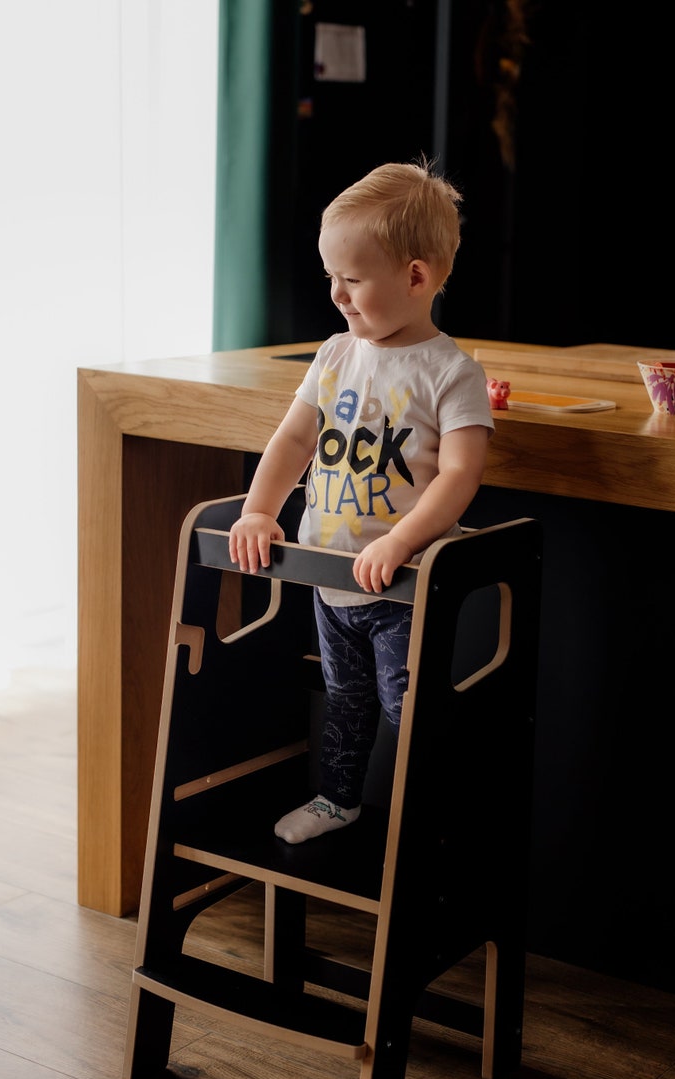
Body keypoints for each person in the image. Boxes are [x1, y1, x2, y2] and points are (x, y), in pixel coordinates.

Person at [228, 159, 494, 844]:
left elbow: (460, 475)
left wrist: (401, 541)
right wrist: (260, 510)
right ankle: (337, 801)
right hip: (330, 578)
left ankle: (423, 822)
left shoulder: (453, 373)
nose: (338, 295)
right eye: (331, 279)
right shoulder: (334, 356)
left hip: (402, 585)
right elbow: (292, 439)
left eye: (352, 279)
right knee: (344, 699)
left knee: (408, 709)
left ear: (416, 277)